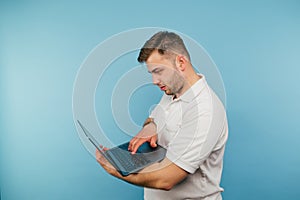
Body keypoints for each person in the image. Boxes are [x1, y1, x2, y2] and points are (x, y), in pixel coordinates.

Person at [96, 31, 228, 200]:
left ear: (180, 62)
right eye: (151, 73)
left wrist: (117, 170)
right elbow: (155, 118)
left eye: (158, 71)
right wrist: (150, 127)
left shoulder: (204, 110)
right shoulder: (171, 92)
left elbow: (167, 178)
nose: (154, 81)